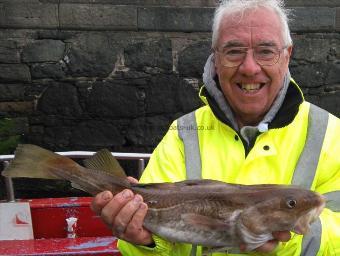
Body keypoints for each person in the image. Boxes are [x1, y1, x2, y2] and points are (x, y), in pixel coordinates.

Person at [91, 0, 340, 255]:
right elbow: (147, 244)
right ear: (216, 58)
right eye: (234, 51)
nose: (250, 68)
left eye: (266, 51)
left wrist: (285, 240)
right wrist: (144, 242)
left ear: (287, 55)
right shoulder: (184, 133)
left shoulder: (333, 136)